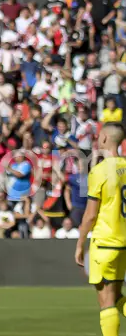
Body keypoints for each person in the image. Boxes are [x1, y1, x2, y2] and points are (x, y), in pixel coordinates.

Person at [75, 123, 126, 336]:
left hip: (105, 242)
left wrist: (79, 244)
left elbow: (90, 215)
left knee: (105, 300)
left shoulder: (99, 170)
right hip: (124, 242)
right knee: (115, 296)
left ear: (104, 138)